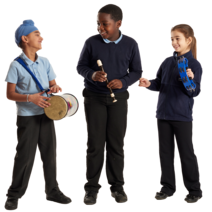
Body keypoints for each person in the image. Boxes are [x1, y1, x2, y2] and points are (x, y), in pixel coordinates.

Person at [75, 3, 143, 205]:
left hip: (119, 99)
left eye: (105, 25)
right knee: (95, 143)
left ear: (119, 24)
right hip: (93, 97)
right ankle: (91, 189)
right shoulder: (91, 42)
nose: (100, 29)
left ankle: (117, 187)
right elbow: (80, 66)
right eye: (98, 24)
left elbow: (137, 71)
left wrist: (123, 82)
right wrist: (92, 74)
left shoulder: (131, 43)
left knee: (116, 144)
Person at [3, 19, 73, 211]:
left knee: (50, 153)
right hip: (26, 116)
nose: (42, 37)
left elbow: (53, 84)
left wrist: (56, 87)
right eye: (37, 34)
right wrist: (30, 98)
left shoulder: (46, 62)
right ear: (25, 39)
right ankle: (13, 196)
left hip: (47, 114)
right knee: (24, 156)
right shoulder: (15, 65)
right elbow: (9, 94)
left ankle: (52, 191)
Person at [137, 23, 203, 203]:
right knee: (165, 152)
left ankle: (194, 190)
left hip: (182, 116)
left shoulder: (195, 64)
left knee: (186, 152)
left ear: (188, 40)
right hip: (163, 115)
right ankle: (167, 187)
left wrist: (189, 79)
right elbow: (158, 83)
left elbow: (194, 92)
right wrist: (148, 83)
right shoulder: (166, 61)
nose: (173, 42)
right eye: (171, 39)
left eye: (177, 39)